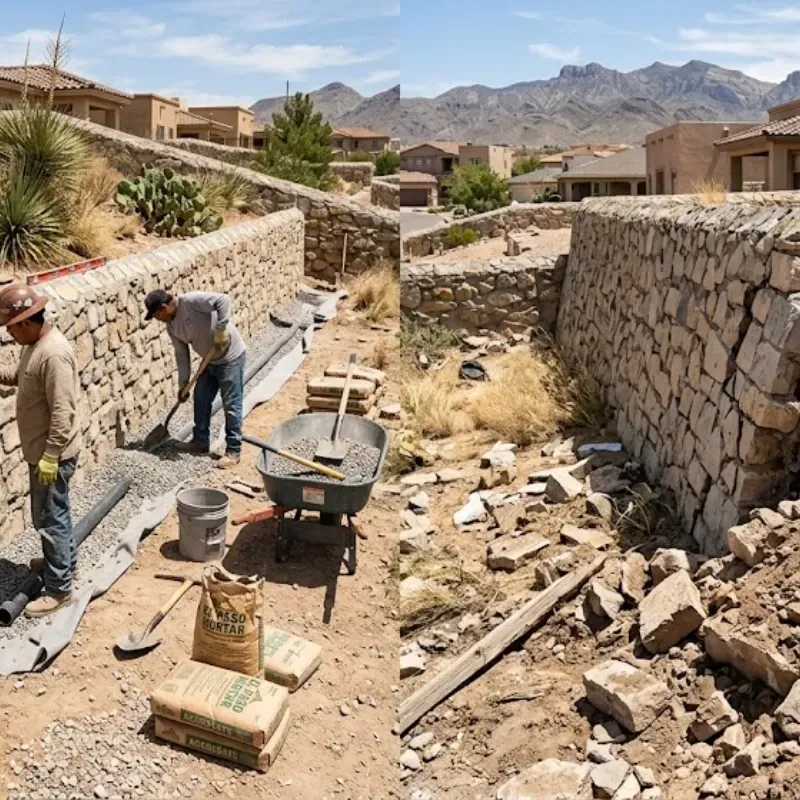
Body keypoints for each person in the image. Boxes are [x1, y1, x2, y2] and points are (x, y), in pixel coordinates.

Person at [0, 284, 81, 617]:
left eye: (9, 328)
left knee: (49, 520)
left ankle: (60, 590)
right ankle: (62, 564)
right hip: (45, 452)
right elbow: (19, 378)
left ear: (25, 322)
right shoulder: (34, 345)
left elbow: (64, 410)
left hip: (53, 455)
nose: (8, 333)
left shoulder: (54, 353)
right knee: (57, 512)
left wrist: (50, 455)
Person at [144, 289, 246, 468]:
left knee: (231, 404)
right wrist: (183, 384)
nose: (156, 319)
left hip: (230, 356)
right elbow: (181, 354)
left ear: (164, 308)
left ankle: (233, 450)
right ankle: (200, 442)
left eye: (156, 315)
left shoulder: (191, 302)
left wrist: (221, 327)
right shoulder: (171, 326)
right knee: (200, 399)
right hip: (209, 361)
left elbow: (223, 300)